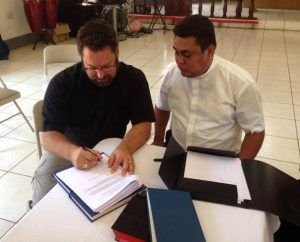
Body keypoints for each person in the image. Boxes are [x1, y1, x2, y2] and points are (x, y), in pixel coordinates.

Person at [30, 19, 155, 207]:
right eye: (92, 68)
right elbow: (48, 138)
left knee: (125, 201)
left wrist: (126, 147)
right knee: (43, 200)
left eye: (106, 66)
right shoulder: (62, 83)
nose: (100, 74)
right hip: (67, 149)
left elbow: (144, 123)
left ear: (117, 53)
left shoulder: (134, 78)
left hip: (111, 150)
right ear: (81, 58)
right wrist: (72, 153)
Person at [153, 15, 264, 160]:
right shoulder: (171, 74)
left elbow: (255, 132)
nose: (179, 60)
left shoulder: (240, 83)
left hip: (220, 160)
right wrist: (158, 140)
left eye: (187, 54)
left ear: (210, 51)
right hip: (177, 153)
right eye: (176, 52)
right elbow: (162, 106)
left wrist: (240, 168)